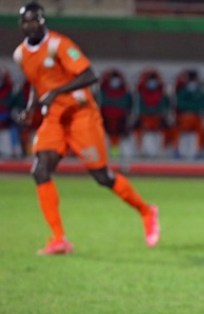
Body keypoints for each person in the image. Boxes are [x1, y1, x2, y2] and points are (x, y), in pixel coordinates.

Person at [14, 2, 159, 255]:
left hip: (81, 114)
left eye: (35, 20)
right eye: (26, 21)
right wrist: (30, 108)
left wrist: (57, 92)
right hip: (55, 118)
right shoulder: (20, 54)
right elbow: (37, 84)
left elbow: (90, 75)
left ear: (43, 21)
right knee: (40, 169)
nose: (31, 25)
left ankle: (146, 211)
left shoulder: (59, 45)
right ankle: (59, 239)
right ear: (21, 25)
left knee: (102, 176)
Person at [133, 68, 171, 158]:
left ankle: (163, 150)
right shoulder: (141, 93)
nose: (152, 83)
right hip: (144, 117)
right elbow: (138, 108)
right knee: (137, 130)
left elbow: (166, 107)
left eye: (154, 80)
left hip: (158, 117)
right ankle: (140, 150)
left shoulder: (162, 93)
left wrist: (162, 115)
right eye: (150, 80)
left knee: (168, 130)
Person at [98, 68, 133, 157]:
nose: (115, 82)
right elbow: (99, 105)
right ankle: (107, 153)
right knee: (105, 137)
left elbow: (129, 106)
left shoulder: (125, 92)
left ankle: (116, 154)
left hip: (120, 119)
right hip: (106, 118)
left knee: (118, 137)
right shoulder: (103, 91)